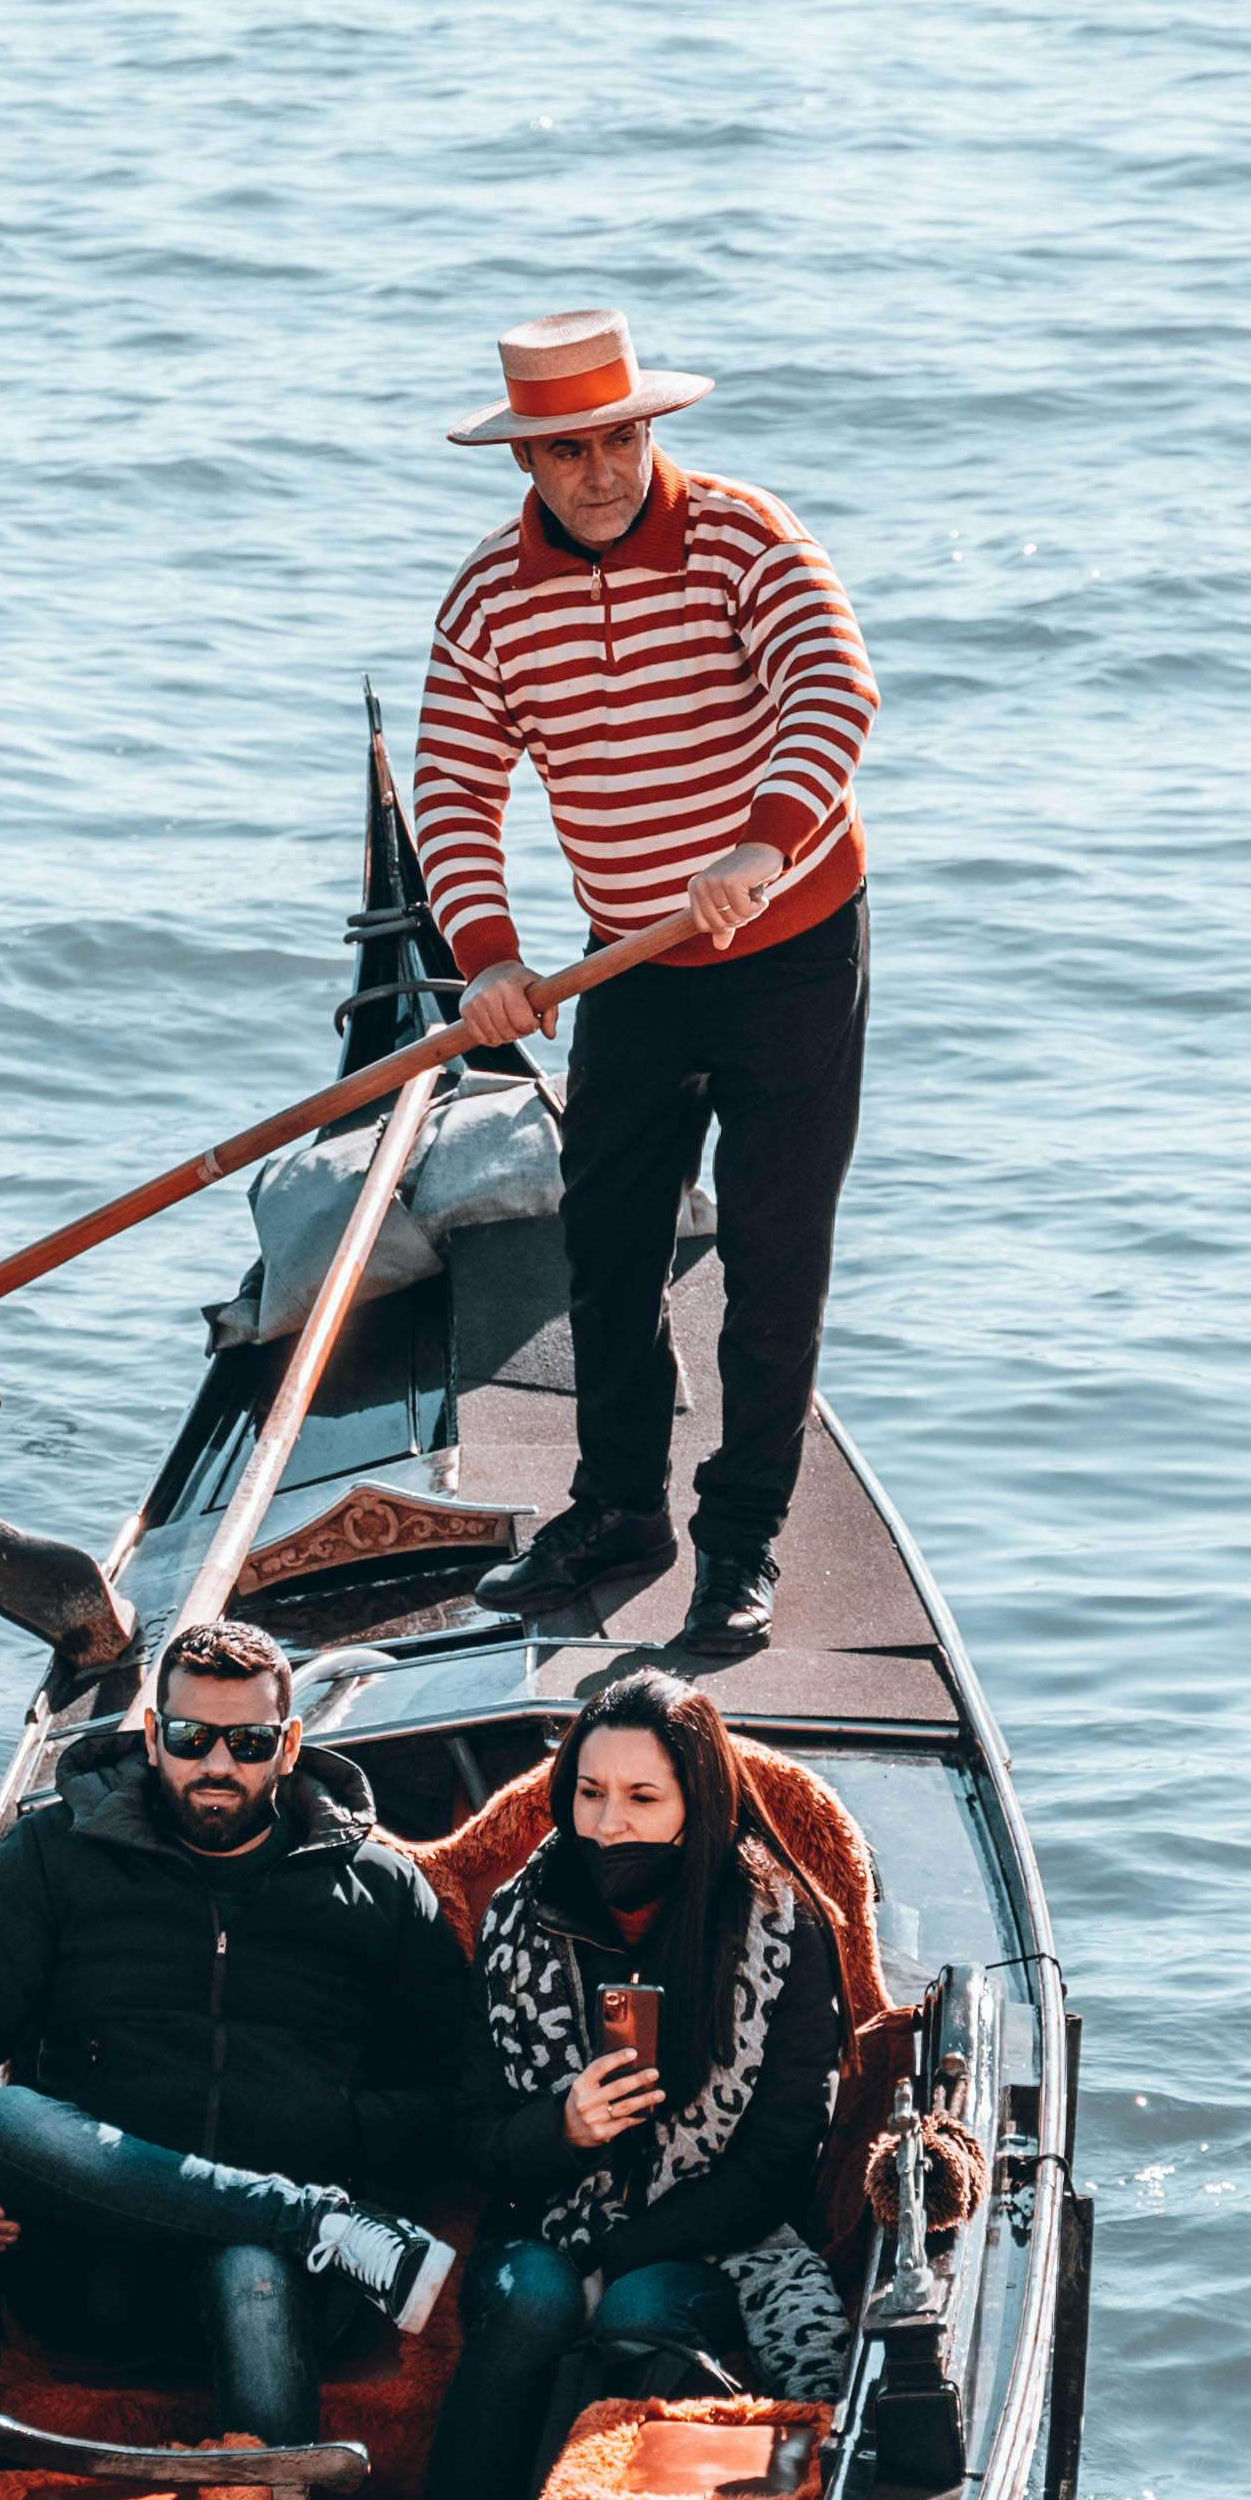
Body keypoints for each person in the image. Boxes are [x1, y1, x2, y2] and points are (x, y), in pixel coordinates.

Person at [411, 305, 879, 1668]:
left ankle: (739, 1546)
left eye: (618, 439)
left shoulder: (746, 536)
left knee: (773, 1261)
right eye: (569, 452)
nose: (601, 471)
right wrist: (489, 958)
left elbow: (831, 689)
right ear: (528, 467)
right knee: (603, 1248)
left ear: (645, 431)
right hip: (633, 959)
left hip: (792, 944)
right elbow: (451, 782)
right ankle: (617, 1512)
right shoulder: (488, 598)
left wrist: (760, 842)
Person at [0, 1613, 480, 2443]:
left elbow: (455, 2092)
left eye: (249, 1742)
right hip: (90, 2270)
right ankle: (307, 2218)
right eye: (193, 1737)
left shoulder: (377, 1888)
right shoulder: (55, 1853)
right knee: (1, 2121)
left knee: (253, 2265)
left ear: (291, 1743)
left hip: (289, 2287)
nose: (218, 1765)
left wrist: (326, 2127)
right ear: (153, 1735)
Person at [402, 1664, 855, 2500]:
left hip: (715, 2235)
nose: (609, 1824)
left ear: (699, 1806)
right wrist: (557, 2129)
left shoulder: (781, 1927)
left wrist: (623, 2246)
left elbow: (783, 2156)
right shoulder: (525, 1919)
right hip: (546, 2214)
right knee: (529, 2303)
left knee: (637, 2305)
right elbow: (468, 2130)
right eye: (590, 1794)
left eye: (644, 1798)